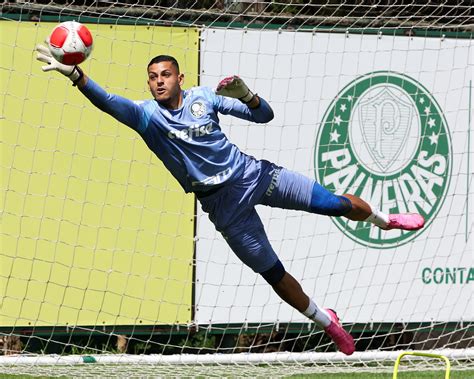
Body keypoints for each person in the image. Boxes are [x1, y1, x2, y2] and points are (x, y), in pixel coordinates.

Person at [36, 45, 425, 356]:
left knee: (334, 204)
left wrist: (250, 97)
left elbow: (265, 117)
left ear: (180, 78)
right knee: (273, 274)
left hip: (255, 176)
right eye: (152, 77)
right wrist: (76, 75)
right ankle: (328, 322)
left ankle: (384, 220)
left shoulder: (205, 98)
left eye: (165, 75)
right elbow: (108, 101)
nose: (158, 82)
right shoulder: (147, 117)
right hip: (224, 207)